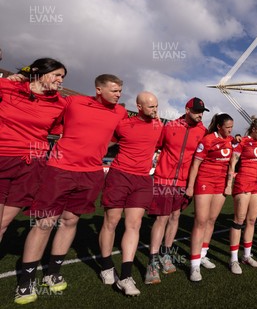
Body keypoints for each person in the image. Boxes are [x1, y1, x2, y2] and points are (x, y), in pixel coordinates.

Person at [15, 74, 127, 304]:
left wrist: (94, 147)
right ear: (98, 89)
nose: (119, 94)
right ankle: (26, 282)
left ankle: (53, 273)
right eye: (114, 90)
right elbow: (46, 109)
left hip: (91, 173)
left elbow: (117, 137)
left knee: (70, 221)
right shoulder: (74, 102)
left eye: (120, 91)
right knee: (45, 222)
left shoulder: (120, 112)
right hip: (59, 169)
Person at [97, 92, 162, 296]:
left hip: (142, 179)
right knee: (111, 221)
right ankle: (107, 266)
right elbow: (103, 143)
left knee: (134, 224)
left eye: (156, 106)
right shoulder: (123, 124)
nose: (155, 110)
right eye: (150, 107)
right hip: (119, 176)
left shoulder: (159, 126)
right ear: (139, 106)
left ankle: (126, 276)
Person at [0, 59, 67, 246]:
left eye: (62, 77)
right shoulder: (7, 87)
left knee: (4, 224)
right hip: (3, 158)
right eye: (56, 74)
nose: (60, 80)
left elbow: (54, 131)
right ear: (39, 73)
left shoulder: (60, 104)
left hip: (31, 167)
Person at [144, 98, 208, 284]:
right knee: (161, 218)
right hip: (163, 179)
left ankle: (166, 254)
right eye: (196, 111)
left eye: (202, 111)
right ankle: (152, 261)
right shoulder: (170, 126)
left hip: (183, 182)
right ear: (187, 110)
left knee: (175, 217)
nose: (200, 114)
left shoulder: (202, 131)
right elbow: (155, 146)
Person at [186, 113, 234, 282]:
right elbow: (195, 164)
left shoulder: (230, 141)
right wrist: (190, 186)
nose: (230, 130)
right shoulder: (207, 140)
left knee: (212, 220)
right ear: (219, 126)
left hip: (220, 184)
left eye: (232, 128)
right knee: (200, 221)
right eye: (228, 127)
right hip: (205, 181)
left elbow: (231, 164)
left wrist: (229, 184)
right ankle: (194, 265)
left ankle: (203, 255)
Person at [226, 117, 257, 274]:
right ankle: (234, 260)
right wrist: (229, 184)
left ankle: (247, 256)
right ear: (254, 129)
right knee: (239, 221)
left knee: (251, 220)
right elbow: (232, 163)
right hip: (243, 182)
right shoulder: (242, 141)